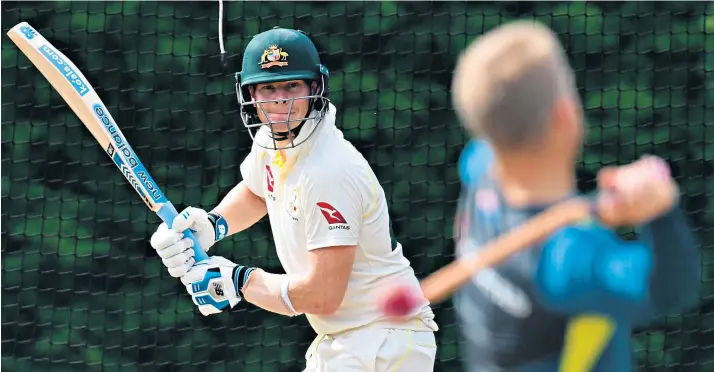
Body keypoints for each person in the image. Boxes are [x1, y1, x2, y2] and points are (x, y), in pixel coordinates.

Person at [149, 27, 438, 371]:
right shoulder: (274, 141)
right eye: (268, 88)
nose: (279, 101)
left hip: (384, 339)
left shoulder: (328, 171)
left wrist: (239, 280)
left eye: (291, 86)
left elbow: (322, 295)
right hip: (345, 340)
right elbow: (259, 190)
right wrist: (213, 226)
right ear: (250, 94)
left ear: (315, 88)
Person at [445, 21, 701, 371]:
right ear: (564, 117)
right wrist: (661, 212)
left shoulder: (479, 171)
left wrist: (604, 206)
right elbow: (670, 290)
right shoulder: (569, 261)